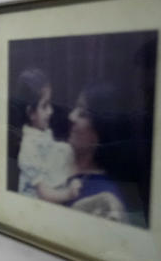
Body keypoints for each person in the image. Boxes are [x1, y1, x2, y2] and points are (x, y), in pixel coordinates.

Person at [63, 81, 148, 227]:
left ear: (100, 131)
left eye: (82, 113)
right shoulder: (55, 154)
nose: (71, 116)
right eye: (75, 108)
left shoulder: (104, 197)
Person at [10, 68, 80, 204]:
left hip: (49, 185)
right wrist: (68, 194)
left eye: (50, 104)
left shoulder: (42, 132)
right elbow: (43, 193)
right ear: (31, 113)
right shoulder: (28, 149)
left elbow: (51, 152)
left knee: (66, 149)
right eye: (45, 106)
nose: (51, 111)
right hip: (35, 203)